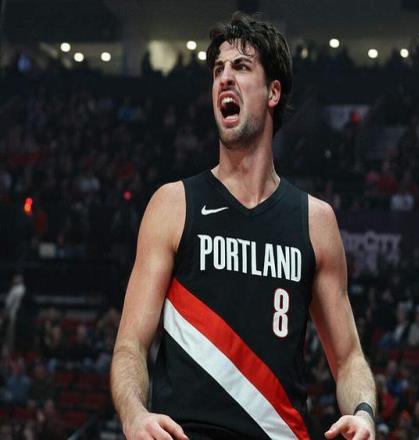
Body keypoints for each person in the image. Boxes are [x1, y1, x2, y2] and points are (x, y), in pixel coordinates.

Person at [111, 12, 376, 440]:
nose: (224, 79)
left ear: (273, 92)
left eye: (241, 66)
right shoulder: (173, 205)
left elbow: (349, 360)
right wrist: (134, 414)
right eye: (218, 69)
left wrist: (363, 412)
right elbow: (130, 346)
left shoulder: (315, 221)